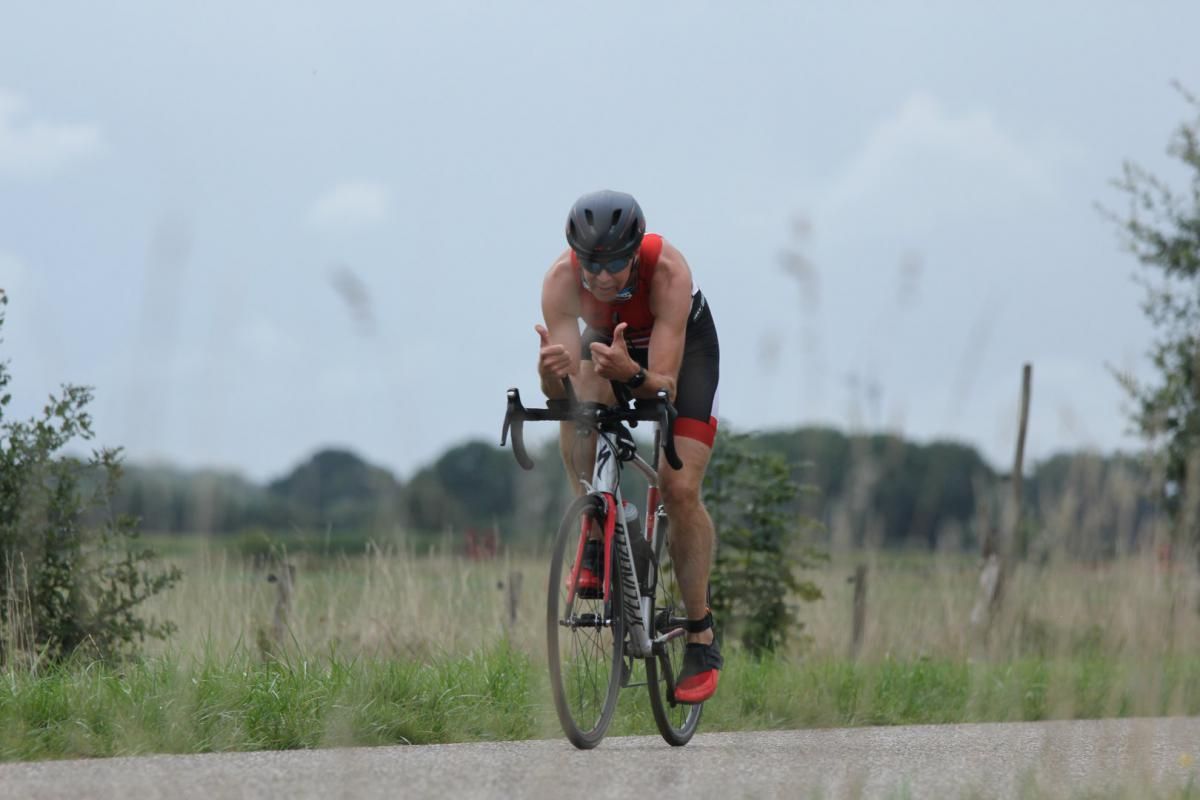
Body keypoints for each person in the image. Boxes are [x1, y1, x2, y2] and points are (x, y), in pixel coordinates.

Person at [535, 189, 722, 704]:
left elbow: (663, 383)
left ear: (635, 251)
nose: (601, 276)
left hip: (681, 357)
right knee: (581, 409)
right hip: (612, 347)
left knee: (679, 488)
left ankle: (701, 634)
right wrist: (550, 377)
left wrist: (633, 373)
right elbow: (566, 391)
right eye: (591, 263)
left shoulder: (668, 273)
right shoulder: (560, 283)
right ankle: (598, 524)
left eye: (616, 262)